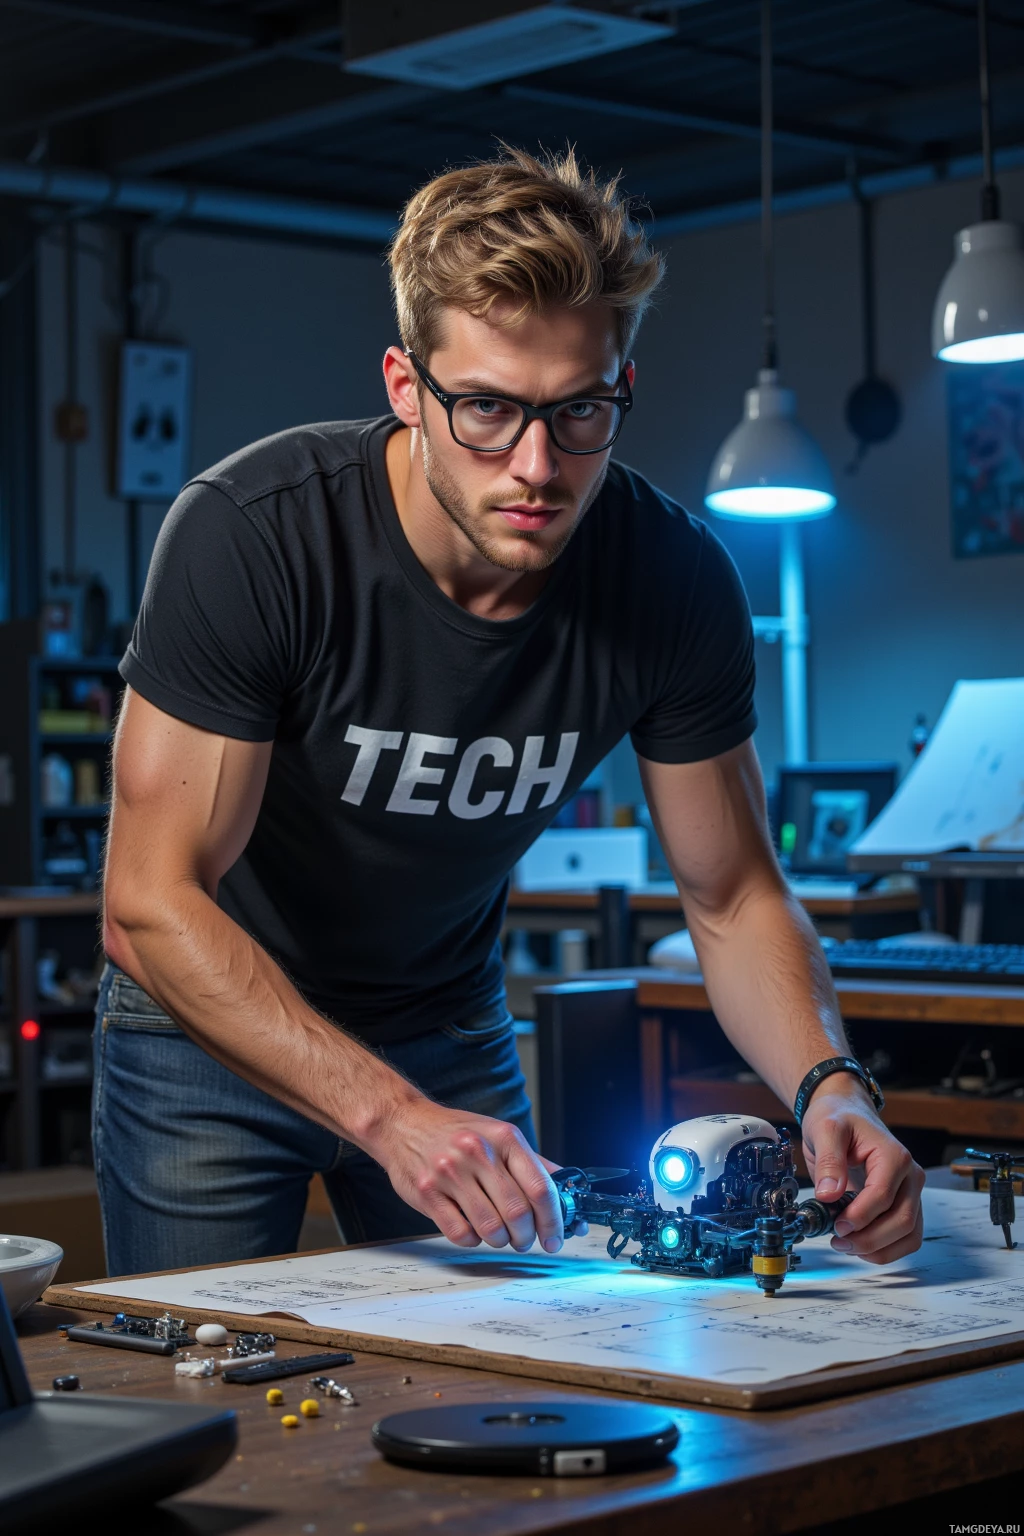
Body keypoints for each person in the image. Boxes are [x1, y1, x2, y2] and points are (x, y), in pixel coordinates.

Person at [97, 146, 924, 1276]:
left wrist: (831, 1085)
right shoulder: (255, 535)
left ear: (620, 386)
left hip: (442, 1023)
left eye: (580, 410)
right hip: (208, 1028)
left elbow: (730, 897)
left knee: (505, 1381)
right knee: (205, 1390)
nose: (538, 466)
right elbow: (147, 902)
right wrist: (387, 1116)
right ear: (405, 388)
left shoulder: (670, 578)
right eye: (486, 408)